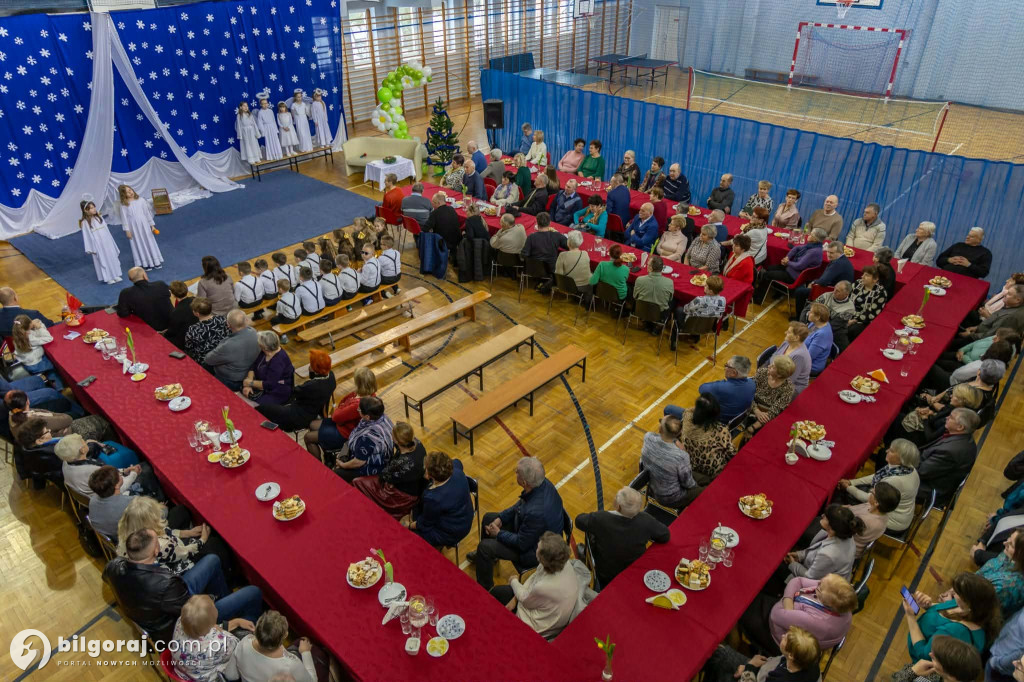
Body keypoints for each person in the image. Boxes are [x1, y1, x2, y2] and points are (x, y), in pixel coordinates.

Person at [104, 528, 262, 645]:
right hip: (177, 627)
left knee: (212, 560)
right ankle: (249, 638)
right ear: (156, 550)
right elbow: (194, 617)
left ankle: (226, 600)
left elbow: (106, 578)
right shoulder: (167, 585)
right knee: (253, 592)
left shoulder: (114, 565)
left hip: (161, 606)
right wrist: (225, 623)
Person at [470, 457, 564, 590]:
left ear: (524, 482)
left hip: (534, 551)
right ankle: (490, 560)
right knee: (489, 518)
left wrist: (498, 533)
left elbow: (521, 543)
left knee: (484, 548)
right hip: (530, 533)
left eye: (517, 472)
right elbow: (521, 504)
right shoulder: (541, 483)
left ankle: (486, 590)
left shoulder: (536, 512)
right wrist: (501, 519)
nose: (515, 472)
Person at [489, 531, 588, 639]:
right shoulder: (563, 563)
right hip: (544, 607)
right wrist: (515, 598)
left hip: (535, 628)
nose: (536, 549)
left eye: (538, 549)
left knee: (496, 597)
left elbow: (525, 599)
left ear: (546, 559)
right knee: (499, 592)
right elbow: (535, 577)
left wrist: (514, 581)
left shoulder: (544, 587)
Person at [575, 487, 669, 589]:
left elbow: (579, 521)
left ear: (618, 506)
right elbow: (665, 535)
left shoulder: (600, 518)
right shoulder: (646, 520)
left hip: (606, 574)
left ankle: (585, 555)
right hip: (634, 571)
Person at [741, 573, 857, 654]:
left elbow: (775, 615)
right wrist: (789, 604)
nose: (818, 584)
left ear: (829, 603)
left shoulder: (817, 622)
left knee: (744, 603)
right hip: (787, 613)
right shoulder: (837, 599)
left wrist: (787, 601)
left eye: (819, 588)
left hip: (780, 639)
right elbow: (798, 580)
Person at [904, 572, 1001, 663]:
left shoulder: (955, 631)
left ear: (969, 602)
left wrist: (910, 616)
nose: (953, 591)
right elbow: (943, 611)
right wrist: (928, 605)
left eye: (957, 592)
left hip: (922, 663)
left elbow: (923, 654)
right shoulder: (968, 608)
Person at [841, 438, 920, 532]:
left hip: (891, 520)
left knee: (845, 497)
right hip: (892, 510)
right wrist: (852, 482)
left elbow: (869, 499)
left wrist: (848, 487)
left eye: (891, 451)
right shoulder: (906, 467)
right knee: (854, 491)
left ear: (901, 459)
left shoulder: (896, 481)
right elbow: (877, 476)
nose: (886, 451)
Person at [353, 421, 426, 518]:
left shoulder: (401, 464)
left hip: (404, 496)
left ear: (396, 441)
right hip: (416, 487)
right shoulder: (418, 443)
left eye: (392, 434)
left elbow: (384, 476)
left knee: (358, 481)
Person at [170, 594, 250, 682]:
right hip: (209, 678)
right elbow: (236, 646)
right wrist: (234, 624)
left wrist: (230, 624)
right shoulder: (219, 642)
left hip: (184, 672)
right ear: (212, 622)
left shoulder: (180, 621)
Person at [305, 367, 376, 465]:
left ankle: (319, 467)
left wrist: (342, 408)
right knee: (312, 424)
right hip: (342, 425)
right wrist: (342, 408)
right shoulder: (367, 394)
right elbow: (342, 402)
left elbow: (336, 416)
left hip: (345, 434)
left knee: (308, 437)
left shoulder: (358, 404)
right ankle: (327, 455)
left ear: (359, 383)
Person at [225, 610, 319, 682]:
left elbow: (231, 675)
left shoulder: (244, 642)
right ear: (285, 636)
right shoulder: (291, 664)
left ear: (256, 629)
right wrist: (306, 652)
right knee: (315, 649)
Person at [704, 625, 821, 682]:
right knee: (718, 653)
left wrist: (749, 668)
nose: (782, 636)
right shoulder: (810, 663)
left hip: (753, 675)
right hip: (761, 670)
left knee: (718, 657)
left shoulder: (779, 679)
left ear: (791, 655)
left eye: (786, 639)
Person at [408, 451, 475, 549]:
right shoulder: (456, 470)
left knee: (414, 535)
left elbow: (424, 524)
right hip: (465, 516)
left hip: (452, 531)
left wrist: (409, 526)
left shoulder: (433, 498)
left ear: (429, 474)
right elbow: (458, 461)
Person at [918, 407, 981, 505]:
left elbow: (921, 471)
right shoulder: (964, 438)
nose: (946, 418)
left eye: (951, 417)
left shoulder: (950, 452)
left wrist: (902, 460)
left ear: (960, 427)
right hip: (932, 474)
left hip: (927, 489)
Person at [787, 505, 861, 581]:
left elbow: (809, 577)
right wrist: (800, 555)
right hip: (821, 572)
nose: (822, 516)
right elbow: (816, 548)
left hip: (820, 586)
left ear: (832, 529)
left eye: (826, 517)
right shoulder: (845, 533)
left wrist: (792, 564)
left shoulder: (829, 554)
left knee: (779, 568)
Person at [641, 414, 701, 509]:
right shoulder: (681, 456)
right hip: (673, 498)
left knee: (704, 480)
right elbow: (688, 484)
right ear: (679, 433)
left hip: (654, 488)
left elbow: (658, 437)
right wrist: (697, 488)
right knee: (708, 489)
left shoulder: (648, 438)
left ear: (660, 429)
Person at [753, 228, 826, 304]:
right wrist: (787, 258)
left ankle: (757, 299)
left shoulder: (813, 252)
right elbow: (796, 248)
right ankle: (779, 291)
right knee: (769, 268)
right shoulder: (812, 246)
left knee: (767, 275)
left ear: (815, 239)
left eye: (811, 234)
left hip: (794, 275)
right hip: (792, 269)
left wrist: (788, 262)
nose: (808, 235)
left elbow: (799, 266)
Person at [56, 432, 142, 496]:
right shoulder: (93, 471)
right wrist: (134, 474)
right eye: (84, 442)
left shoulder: (66, 460)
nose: (86, 442)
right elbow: (117, 488)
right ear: (82, 450)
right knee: (146, 470)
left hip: (86, 494)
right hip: (108, 498)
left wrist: (124, 471)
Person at [6, 390, 108, 443]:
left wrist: (53, 416)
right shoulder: (36, 420)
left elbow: (42, 412)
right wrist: (55, 416)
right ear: (27, 401)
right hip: (65, 439)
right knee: (100, 420)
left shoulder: (13, 415)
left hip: (52, 437)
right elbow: (68, 419)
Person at [334, 396, 394, 483]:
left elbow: (358, 462)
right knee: (343, 452)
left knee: (336, 473)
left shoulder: (368, 438)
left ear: (367, 416)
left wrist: (343, 465)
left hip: (373, 466)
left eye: (359, 409)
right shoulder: (382, 417)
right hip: (378, 456)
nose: (357, 409)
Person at [678, 393, 735, 482]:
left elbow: (688, 410)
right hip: (712, 471)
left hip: (692, 465)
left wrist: (700, 409)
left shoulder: (686, 419)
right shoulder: (720, 430)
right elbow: (731, 452)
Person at [792, 241, 854, 314]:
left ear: (840, 253)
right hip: (834, 287)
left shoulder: (838, 264)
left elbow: (823, 281)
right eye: (828, 252)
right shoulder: (842, 260)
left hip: (831, 291)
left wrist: (813, 283)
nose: (828, 255)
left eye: (831, 253)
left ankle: (799, 318)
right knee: (807, 282)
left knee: (800, 292)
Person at [204, 310, 261, 391]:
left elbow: (208, 359)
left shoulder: (228, 345)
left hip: (232, 380)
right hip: (249, 372)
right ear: (246, 320)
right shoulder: (253, 331)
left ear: (228, 325)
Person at [894, 635, 985, 682]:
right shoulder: (934, 672)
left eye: (936, 658)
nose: (930, 655)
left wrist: (912, 672)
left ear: (952, 676)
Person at [743, 355, 797, 436]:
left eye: (773, 367)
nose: (769, 366)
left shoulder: (788, 388)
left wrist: (754, 427)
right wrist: (756, 410)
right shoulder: (762, 373)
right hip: (750, 405)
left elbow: (775, 410)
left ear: (779, 375)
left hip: (768, 416)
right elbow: (748, 394)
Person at [976, 530, 1024, 618]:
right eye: (1009, 538)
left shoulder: (1007, 586)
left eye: (1011, 545)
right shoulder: (1009, 554)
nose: (1004, 543)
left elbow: (978, 609)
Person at [118, 184, 164, 270]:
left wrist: (152, 226)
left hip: (144, 225)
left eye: (130, 190)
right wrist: (127, 230)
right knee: (139, 243)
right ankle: (145, 263)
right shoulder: (123, 205)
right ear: (123, 195)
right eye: (127, 192)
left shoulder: (141, 200)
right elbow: (124, 219)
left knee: (149, 241)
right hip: (134, 227)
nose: (130, 192)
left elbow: (147, 214)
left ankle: (156, 261)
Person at [241, 331, 293, 407]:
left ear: (265, 348)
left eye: (260, 345)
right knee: (243, 392)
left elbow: (269, 384)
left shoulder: (278, 361)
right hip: (261, 383)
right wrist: (248, 385)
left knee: (256, 406)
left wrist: (249, 383)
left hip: (277, 390)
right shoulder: (266, 352)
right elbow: (254, 365)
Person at [959, 284, 1024, 342]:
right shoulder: (1011, 304)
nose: (1005, 294)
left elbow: (991, 336)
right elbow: (993, 321)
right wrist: (976, 327)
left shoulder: (1010, 317)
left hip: (980, 341)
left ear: (1017, 300)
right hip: (981, 330)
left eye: (1009, 294)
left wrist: (971, 335)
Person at [79, 197, 122, 284]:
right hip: (98, 245)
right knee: (103, 259)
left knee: (111, 256)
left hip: (107, 242)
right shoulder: (85, 223)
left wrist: (112, 242)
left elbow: (107, 231)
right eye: (91, 208)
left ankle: (115, 274)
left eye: (94, 207)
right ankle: (108, 277)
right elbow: (87, 236)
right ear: (86, 210)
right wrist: (91, 248)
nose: (94, 209)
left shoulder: (99, 217)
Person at [522, 213, 567, 292]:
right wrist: (557, 233)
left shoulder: (531, 237)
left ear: (537, 223)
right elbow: (568, 245)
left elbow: (524, 255)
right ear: (549, 223)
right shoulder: (556, 235)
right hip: (551, 270)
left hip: (533, 269)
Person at [116, 267, 173, 332]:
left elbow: (122, 314)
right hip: (172, 324)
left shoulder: (126, 293)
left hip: (150, 331)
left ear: (130, 279)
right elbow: (169, 294)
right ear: (145, 275)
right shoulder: (160, 284)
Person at [11, 315, 60, 387]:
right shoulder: (30, 339)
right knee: (54, 367)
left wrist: (38, 324)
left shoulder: (19, 335)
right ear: (29, 326)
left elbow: (36, 334)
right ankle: (58, 386)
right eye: (31, 321)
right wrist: (40, 327)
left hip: (26, 362)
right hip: (36, 365)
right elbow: (49, 338)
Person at [87, 466, 135, 538]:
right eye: (119, 475)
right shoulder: (130, 503)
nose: (120, 476)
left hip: (106, 535)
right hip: (123, 537)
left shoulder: (93, 499)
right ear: (116, 485)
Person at [844, 265, 889, 342]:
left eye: (867, 275)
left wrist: (853, 320)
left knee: (851, 330)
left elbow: (872, 314)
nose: (862, 277)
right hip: (849, 312)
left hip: (864, 319)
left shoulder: (880, 293)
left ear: (875, 279)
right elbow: (846, 298)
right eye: (863, 274)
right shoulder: (858, 283)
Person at [632, 255, 675, 326]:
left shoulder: (640, 279)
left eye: (647, 264)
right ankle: (658, 327)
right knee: (674, 302)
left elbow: (634, 296)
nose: (646, 265)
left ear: (650, 268)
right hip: (659, 314)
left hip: (640, 311)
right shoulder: (669, 282)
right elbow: (669, 299)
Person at [184, 298, 229, 363]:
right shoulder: (221, 318)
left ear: (197, 314)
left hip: (204, 360)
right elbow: (228, 333)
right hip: (222, 353)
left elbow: (189, 347)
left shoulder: (193, 329)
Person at [771, 322, 812, 394]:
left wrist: (770, 378)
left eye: (789, 332)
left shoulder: (800, 356)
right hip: (776, 375)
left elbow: (790, 380)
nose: (785, 332)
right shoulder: (786, 343)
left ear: (796, 338)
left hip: (792, 387)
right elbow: (773, 358)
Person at [987, 611, 1024, 681]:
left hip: (1001, 669)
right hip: (999, 652)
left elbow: (1019, 655)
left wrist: (995, 662)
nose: (1015, 662)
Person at [555, 230, 594, 295]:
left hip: (568, 287)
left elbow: (558, 275)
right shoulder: (585, 253)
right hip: (585, 287)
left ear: (568, 242)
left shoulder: (562, 255)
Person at [805, 304, 834, 374]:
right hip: (802, 352)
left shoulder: (822, 335)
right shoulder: (815, 323)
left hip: (811, 365)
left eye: (811, 312)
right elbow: (805, 335)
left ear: (817, 317)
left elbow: (808, 357)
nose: (808, 313)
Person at [255, 93, 282, 161]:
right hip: (266, 128)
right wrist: (263, 131)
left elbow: (273, 121)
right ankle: (271, 156)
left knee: (275, 141)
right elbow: (260, 123)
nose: (265, 105)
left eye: (266, 103)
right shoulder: (260, 112)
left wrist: (276, 129)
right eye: (263, 103)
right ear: (261, 104)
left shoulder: (270, 111)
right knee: (269, 142)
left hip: (272, 127)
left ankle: (278, 155)